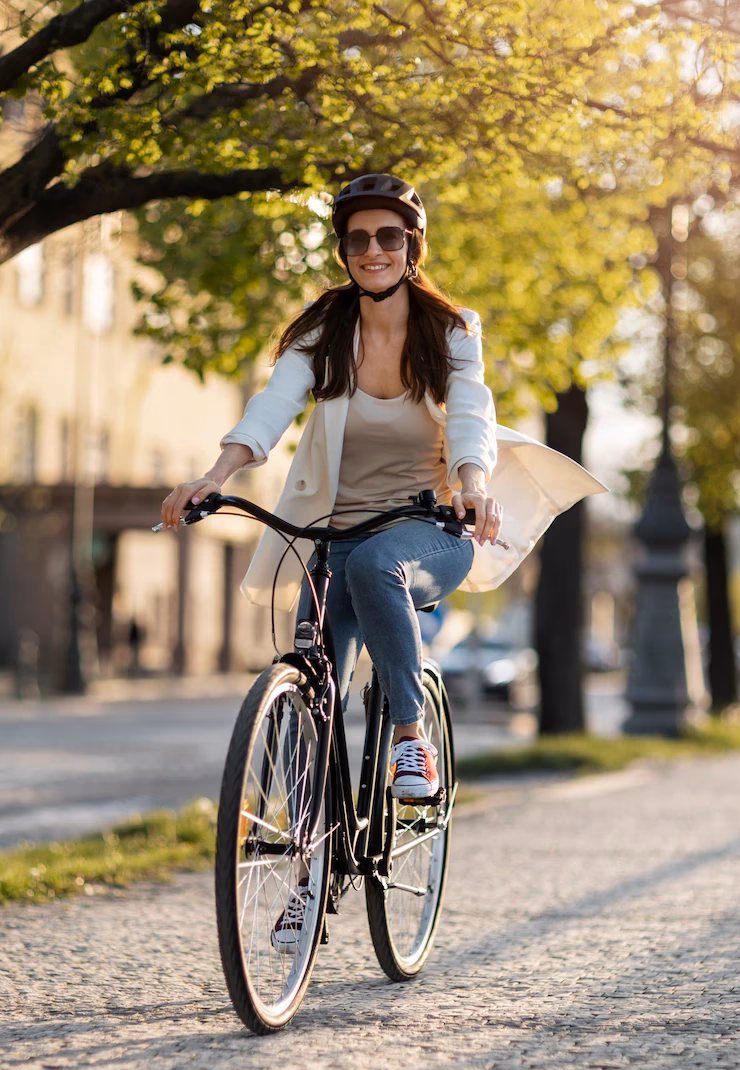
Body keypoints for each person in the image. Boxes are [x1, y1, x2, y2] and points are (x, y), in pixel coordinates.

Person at [162, 172, 607, 950]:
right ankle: (307, 876)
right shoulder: (322, 331)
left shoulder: (451, 331)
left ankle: (409, 735)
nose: (373, 250)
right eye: (359, 238)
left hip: (430, 527)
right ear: (343, 249)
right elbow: (274, 403)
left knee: (375, 570)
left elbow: (471, 414)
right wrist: (216, 475)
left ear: (412, 247)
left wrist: (472, 488)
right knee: (310, 697)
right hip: (332, 532)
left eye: (389, 237)